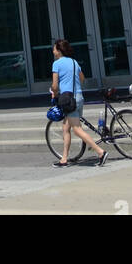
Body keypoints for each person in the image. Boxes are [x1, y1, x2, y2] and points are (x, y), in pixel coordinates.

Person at [50, 39, 108, 168]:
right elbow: (82, 79)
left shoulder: (57, 64)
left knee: (76, 129)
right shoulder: (74, 62)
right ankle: (64, 159)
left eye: (54, 49)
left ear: (59, 51)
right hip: (79, 96)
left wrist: (54, 92)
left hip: (68, 99)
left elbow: (54, 85)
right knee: (66, 128)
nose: (53, 51)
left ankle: (100, 152)